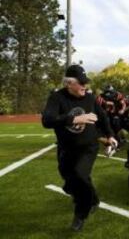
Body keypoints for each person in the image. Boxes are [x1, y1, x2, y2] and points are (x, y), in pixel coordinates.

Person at [42, 65, 117, 231]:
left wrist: (110, 135)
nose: (85, 86)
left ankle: (80, 215)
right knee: (71, 179)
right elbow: (47, 120)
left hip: (88, 147)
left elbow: (103, 117)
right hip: (66, 148)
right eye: (81, 83)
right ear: (69, 84)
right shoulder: (57, 98)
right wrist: (74, 119)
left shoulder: (90, 98)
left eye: (86, 82)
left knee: (79, 175)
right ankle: (94, 199)